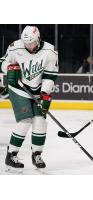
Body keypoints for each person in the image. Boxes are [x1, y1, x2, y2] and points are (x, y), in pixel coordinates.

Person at [0, 25, 58, 171]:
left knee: (40, 121)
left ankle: (36, 154)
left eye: (31, 43)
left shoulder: (50, 51)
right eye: (26, 43)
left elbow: (50, 76)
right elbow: (2, 62)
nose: (28, 46)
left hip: (39, 90)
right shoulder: (15, 47)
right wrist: (8, 68)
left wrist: (45, 93)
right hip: (18, 88)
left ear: (38, 39)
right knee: (25, 120)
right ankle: (11, 155)